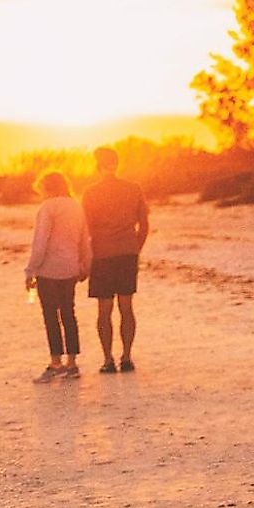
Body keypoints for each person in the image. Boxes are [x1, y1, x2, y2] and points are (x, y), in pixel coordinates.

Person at [81, 147, 151, 373]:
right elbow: (144, 224)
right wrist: (134, 247)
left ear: (97, 166)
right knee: (126, 306)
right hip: (127, 253)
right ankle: (127, 356)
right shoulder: (134, 189)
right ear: (116, 164)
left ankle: (107, 359)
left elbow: (86, 228)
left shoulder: (91, 193)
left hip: (102, 254)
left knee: (104, 310)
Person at [24, 173, 93, 383]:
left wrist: (30, 270)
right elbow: (84, 239)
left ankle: (56, 363)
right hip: (70, 268)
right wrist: (84, 266)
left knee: (51, 316)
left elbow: (41, 243)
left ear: (47, 187)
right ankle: (72, 364)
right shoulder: (76, 206)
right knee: (68, 314)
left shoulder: (47, 208)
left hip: (49, 270)